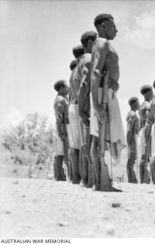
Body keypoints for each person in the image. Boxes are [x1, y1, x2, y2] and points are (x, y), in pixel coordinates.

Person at [90, 13, 126, 192]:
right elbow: (96, 72)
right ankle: (102, 183)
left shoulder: (105, 44)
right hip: (102, 93)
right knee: (101, 135)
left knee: (105, 135)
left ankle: (104, 181)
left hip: (108, 92)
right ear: (103, 26)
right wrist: (96, 105)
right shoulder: (102, 43)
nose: (116, 29)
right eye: (113, 26)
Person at [77, 31, 97, 187]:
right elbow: (84, 85)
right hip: (88, 104)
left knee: (86, 142)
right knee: (90, 142)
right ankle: (88, 179)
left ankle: (87, 178)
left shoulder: (81, 60)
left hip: (84, 103)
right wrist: (82, 108)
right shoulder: (89, 59)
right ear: (90, 43)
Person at [68, 45, 85, 184]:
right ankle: (83, 177)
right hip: (79, 105)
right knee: (83, 143)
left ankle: (75, 177)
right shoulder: (81, 67)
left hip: (72, 106)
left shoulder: (72, 72)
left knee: (74, 144)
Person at [53, 80, 69, 181]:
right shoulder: (60, 100)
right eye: (66, 86)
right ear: (61, 88)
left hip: (63, 126)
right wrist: (61, 132)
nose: (68, 88)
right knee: (60, 153)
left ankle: (60, 175)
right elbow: (59, 117)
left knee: (62, 152)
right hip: (61, 126)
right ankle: (58, 176)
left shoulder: (63, 98)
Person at [138, 84, 153, 184]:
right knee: (145, 155)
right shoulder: (147, 105)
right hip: (145, 130)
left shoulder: (142, 105)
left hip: (142, 130)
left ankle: (142, 178)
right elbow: (148, 121)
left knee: (143, 155)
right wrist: (148, 135)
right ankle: (143, 178)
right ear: (148, 93)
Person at [126, 97, 140, 183]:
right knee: (131, 158)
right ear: (134, 104)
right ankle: (131, 178)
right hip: (132, 138)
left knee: (132, 158)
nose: (139, 104)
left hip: (133, 137)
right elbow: (129, 129)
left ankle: (131, 177)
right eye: (138, 103)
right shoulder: (133, 115)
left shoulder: (131, 113)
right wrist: (130, 143)